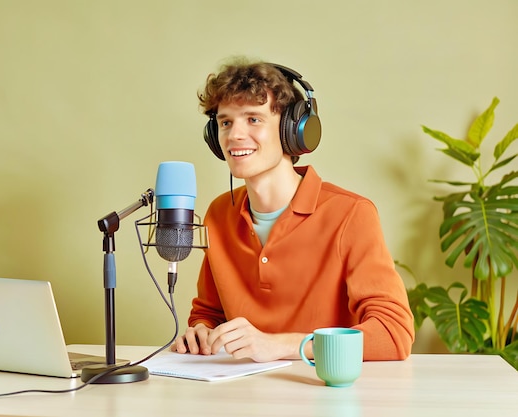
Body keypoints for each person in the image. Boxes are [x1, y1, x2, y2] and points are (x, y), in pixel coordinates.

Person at [171, 57, 414, 362]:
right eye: (225, 122)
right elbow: (209, 313)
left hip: (321, 394)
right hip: (242, 395)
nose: (234, 135)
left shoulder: (352, 214)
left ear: (293, 130)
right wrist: (202, 331)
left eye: (254, 119)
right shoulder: (219, 214)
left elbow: (393, 334)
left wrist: (281, 346)